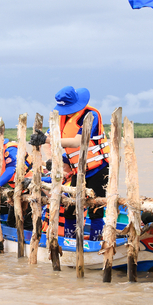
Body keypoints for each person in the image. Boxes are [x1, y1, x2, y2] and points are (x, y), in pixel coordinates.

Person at [30, 86, 110, 240]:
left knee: (96, 207)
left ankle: (96, 240)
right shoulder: (60, 117)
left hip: (98, 168)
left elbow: (77, 141)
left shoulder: (90, 115)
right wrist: (51, 160)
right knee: (70, 207)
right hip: (77, 170)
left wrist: (47, 139)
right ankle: (70, 241)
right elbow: (47, 139)